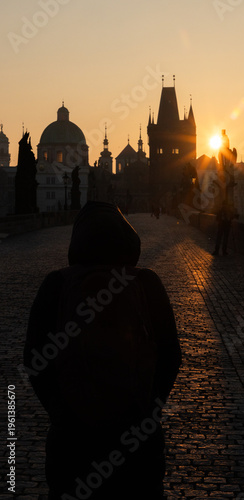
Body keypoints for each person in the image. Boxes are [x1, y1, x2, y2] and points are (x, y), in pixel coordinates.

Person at [24, 201, 182, 500]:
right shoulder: (147, 283)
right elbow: (172, 355)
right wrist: (149, 409)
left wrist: (62, 414)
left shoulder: (56, 284)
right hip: (137, 440)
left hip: (73, 443)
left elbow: (34, 359)